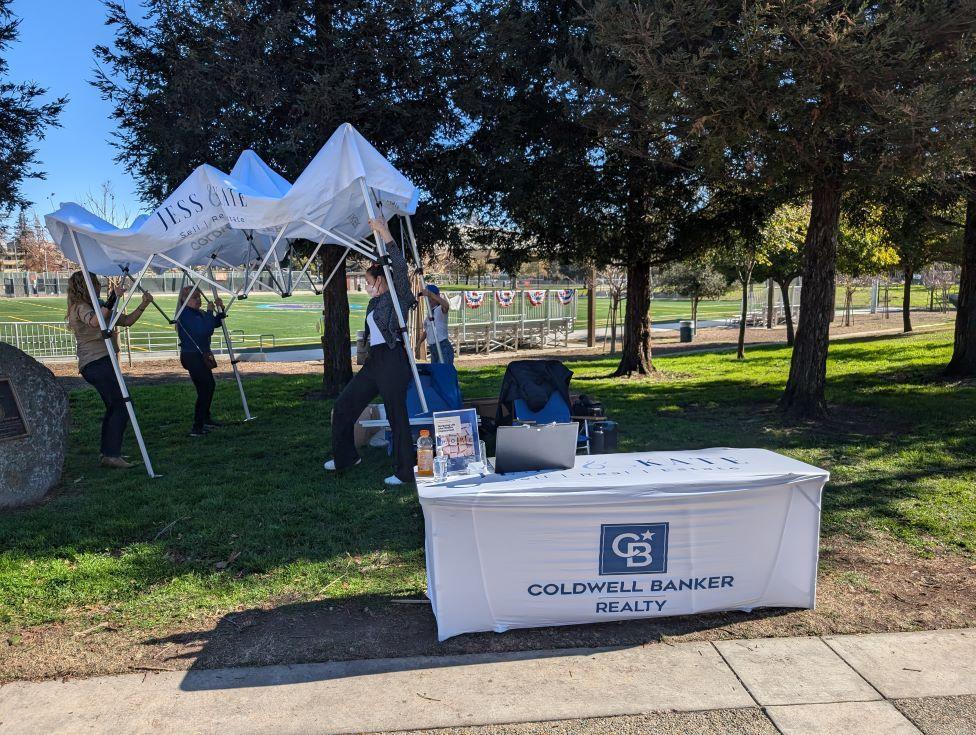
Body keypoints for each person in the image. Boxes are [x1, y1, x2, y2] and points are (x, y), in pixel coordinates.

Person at [325, 217, 417, 486]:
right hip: (375, 362)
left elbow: (398, 267)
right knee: (344, 404)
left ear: (380, 281)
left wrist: (385, 232)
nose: (365, 286)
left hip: (393, 360)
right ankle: (346, 457)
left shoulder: (398, 295)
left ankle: (405, 471)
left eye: (367, 281)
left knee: (396, 414)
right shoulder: (374, 303)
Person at [66, 271, 154, 469]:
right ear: (85, 286)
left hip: (103, 362)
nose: (99, 286)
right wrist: (114, 296)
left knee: (115, 406)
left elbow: (127, 321)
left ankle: (108, 453)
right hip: (96, 363)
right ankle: (111, 454)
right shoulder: (80, 307)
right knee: (122, 405)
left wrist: (144, 304)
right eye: (96, 283)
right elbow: (96, 321)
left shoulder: (98, 306)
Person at [176, 286, 225, 437]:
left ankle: (205, 418)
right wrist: (210, 311)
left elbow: (214, 324)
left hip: (200, 354)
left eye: (199, 297)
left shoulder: (197, 312)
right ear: (184, 300)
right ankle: (197, 426)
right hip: (193, 356)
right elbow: (205, 330)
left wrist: (220, 310)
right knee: (206, 387)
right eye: (194, 297)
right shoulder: (185, 314)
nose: (198, 300)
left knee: (207, 387)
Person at [417, 283, 454, 364]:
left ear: (436, 295)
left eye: (430, 297)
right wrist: (419, 343)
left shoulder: (440, 309)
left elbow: (446, 306)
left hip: (442, 346)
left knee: (444, 372)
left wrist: (431, 294)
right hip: (433, 348)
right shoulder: (429, 313)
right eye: (426, 297)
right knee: (436, 373)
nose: (428, 300)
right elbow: (427, 330)